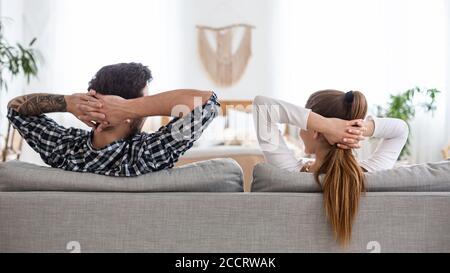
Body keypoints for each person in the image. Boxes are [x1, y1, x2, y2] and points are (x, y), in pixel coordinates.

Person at [253, 90, 409, 246]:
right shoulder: (372, 174)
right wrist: (356, 128)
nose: (301, 131)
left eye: (304, 125)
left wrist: (326, 125)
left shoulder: (288, 172)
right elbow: (401, 129)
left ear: (314, 130)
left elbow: (262, 106)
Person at [7, 62, 219, 177]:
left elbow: (15, 109)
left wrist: (68, 102)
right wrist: (129, 108)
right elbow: (208, 103)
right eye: (144, 101)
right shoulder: (148, 155)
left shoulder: (63, 150)